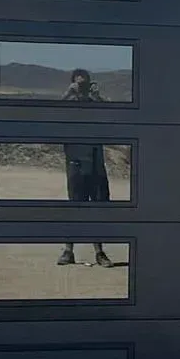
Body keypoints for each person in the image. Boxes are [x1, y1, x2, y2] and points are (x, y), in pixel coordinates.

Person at [56, 69, 115, 268]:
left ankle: (99, 252)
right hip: (75, 162)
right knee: (74, 207)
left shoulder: (93, 105)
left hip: (95, 161)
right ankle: (68, 250)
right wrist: (67, 95)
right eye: (78, 84)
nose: (81, 88)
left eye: (84, 84)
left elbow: (113, 117)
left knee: (96, 207)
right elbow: (51, 115)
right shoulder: (68, 106)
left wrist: (97, 97)